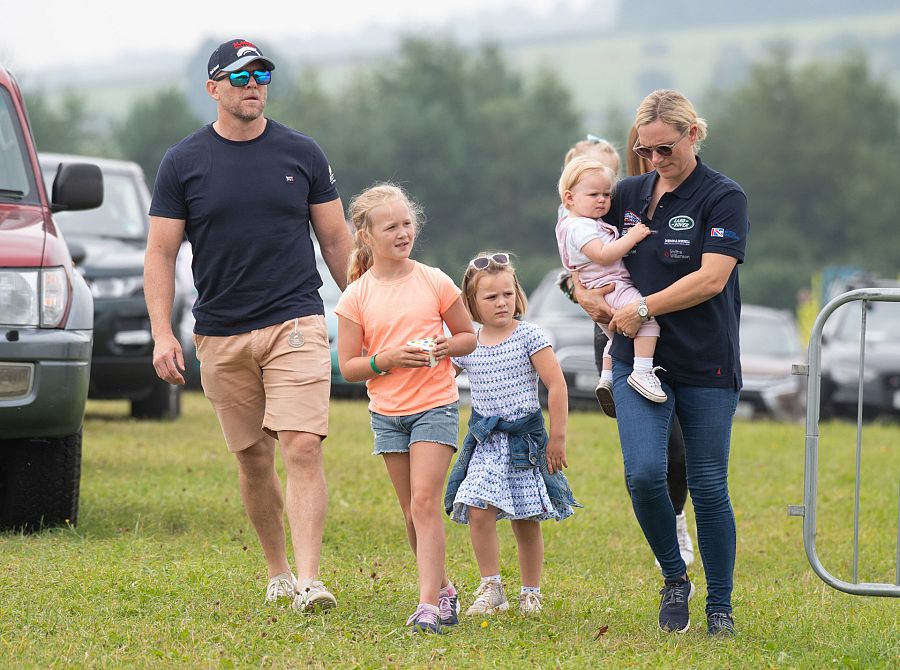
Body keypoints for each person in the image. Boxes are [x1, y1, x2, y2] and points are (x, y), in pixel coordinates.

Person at [144, 38, 353, 613]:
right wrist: (164, 332)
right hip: (220, 331)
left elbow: (336, 239)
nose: (253, 83)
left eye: (261, 73)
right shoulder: (183, 162)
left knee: (303, 446)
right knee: (253, 457)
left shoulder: (302, 153)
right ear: (213, 88)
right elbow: (161, 253)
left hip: (296, 320)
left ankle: (311, 580)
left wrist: (363, 306)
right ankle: (279, 571)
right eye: (239, 76)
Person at [572, 90, 748, 637]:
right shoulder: (626, 192)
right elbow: (583, 255)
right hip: (633, 359)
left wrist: (642, 307)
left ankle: (720, 605)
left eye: (665, 149)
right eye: (644, 150)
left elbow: (712, 278)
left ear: (694, 133)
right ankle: (676, 578)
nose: (654, 160)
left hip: (705, 360)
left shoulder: (723, 196)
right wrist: (586, 296)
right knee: (645, 474)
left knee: (708, 484)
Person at [334, 183, 476, 634]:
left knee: (424, 502)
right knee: (412, 512)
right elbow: (351, 367)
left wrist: (444, 345)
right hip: (388, 414)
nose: (402, 232)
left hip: (435, 405)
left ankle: (428, 606)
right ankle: (447, 589)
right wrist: (388, 359)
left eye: (407, 223)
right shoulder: (355, 297)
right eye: (391, 226)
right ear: (366, 235)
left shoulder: (434, 280)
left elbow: (468, 337)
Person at [558, 134, 695, 570]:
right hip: (620, 328)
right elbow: (577, 270)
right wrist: (581, 293)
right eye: (593, 182)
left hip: (672, 321)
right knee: (648, 445)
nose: (603, 194)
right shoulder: (579, 216)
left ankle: (676, 518)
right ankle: (667, 528)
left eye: (609, 180)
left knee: (680, 444)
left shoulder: (631, 201)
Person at [444, 252, 580, 617]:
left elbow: (556, 385)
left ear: (516, 293)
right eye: (490, 297)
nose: (501, 302)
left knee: (525, 518)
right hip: (486, 442)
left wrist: (558, 437)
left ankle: (530, 592)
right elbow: (441, 378)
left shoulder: (530, 335)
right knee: (477, 507)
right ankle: (491, 587)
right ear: (471, 302)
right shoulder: (468, 342)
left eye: (507, 293)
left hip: (525, 443)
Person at [556, 157, 665, 404]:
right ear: (570, 198)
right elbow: (603, 256)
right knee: (648, 319)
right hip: (612, 287)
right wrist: (634, 236)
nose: (602, 200)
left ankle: (606, 379)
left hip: (599, 288)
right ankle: (642, 372)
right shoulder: (581, 226)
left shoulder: (569, 223)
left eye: (606, 194)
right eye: (594, 194)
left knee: (615, 339)